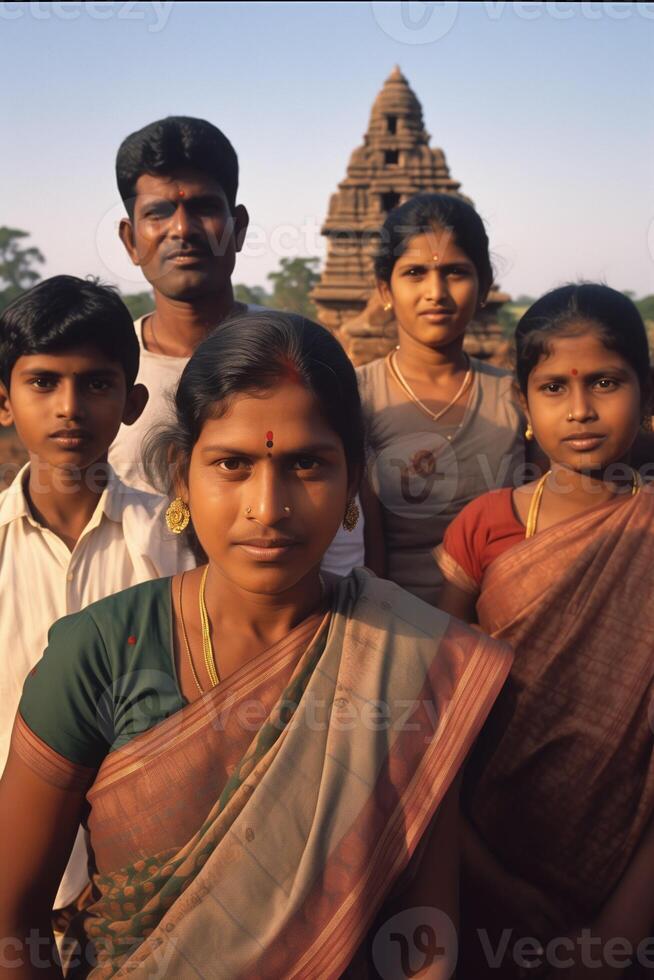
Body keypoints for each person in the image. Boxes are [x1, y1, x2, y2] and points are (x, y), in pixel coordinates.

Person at [0, 312, 512, 979]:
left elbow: (424, 940)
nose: (268, 508)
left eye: (307, 464)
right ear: (183, 477)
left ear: (355, 479)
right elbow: (13, 922)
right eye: (233, 464)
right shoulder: (98, 653)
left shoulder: (413, 659)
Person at [436, 284, 654, 977]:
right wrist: (485, 877)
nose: (582, 409)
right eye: (554, 387)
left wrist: (619, 933)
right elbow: (431, 718)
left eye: (606, 383)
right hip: (483, 848)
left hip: (629, 872)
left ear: (647, 394)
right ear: (525, 407)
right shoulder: (487, 526)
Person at [0, 276, 194, 921]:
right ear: (4, 400)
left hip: (146, 873)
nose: (69, 407)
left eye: (96, 383)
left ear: (133, 401)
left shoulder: (173, 538)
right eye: (42, 382)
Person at [108, 114, 363, 574]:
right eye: (158, 212)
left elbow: (350, 518)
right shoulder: (102, 373)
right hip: (139, 629)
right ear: (130, 239)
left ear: (238, 227)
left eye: (203, 207)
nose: (181, 229)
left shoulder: (300, 355)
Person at [358, 193, 530, 606]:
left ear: (484, 286)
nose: (436, 292)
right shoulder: (355, 397)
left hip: (503, 619)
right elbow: (357, 546)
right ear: (385, 288)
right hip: (388, 618)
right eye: (415, 273)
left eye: (455, 272)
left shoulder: (517, 398)